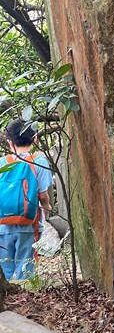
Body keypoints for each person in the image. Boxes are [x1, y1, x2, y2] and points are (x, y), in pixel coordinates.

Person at [0, 118, 53, 281]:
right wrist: (47, 209)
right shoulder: (39, 161)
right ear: (35, 138)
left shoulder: (3, 163)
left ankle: (10, 297)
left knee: (5, 265)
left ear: (9, 142)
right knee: (25, 265)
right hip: (28, 224)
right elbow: (43, 195)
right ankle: (26, 294)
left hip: (2, 224)